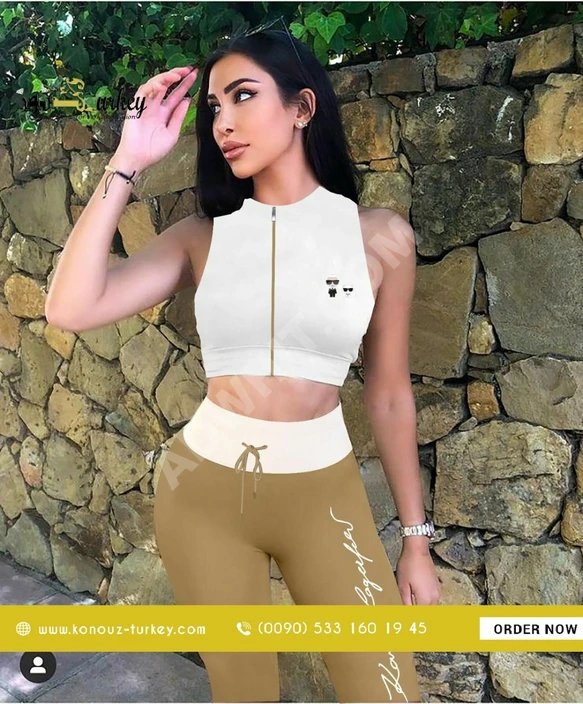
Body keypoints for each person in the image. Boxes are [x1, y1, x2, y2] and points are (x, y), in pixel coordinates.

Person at [45, 25, 441, 704]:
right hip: (203, 496)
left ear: (302, 107)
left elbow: (388, 396)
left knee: (388, 689)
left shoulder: (379, 238)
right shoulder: (201, 239)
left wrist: (415, 541)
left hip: (323, 494)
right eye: (213, 107)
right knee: (245, 693)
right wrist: (128, 159)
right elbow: (69, 308)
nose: (222, 122)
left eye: (243, 96)